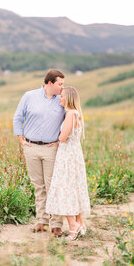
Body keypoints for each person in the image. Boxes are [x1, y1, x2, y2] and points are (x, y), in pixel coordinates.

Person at [13, 69, 65, 237]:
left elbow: (70, 120)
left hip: (51, 149)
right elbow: (18, 117)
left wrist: (58, 141)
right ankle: (42, 221)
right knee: (39, 186)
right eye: (60, 84)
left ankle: (56, 224)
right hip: (31, 147)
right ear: (50, 83)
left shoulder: (62, 100)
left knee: (53, 186)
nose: (62, 87)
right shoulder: (29, 96)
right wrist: (20, 138)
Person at [46, 86, 91, 241]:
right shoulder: (76, 113)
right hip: (74, 154)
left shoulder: (70, 114)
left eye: (63, 96)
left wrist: (56, 139)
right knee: (74, 188)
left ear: (69, 98)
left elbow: (63, 137)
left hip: (67, 157)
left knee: (64, 189)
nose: (60, 97)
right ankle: (81, 223)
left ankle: (73, 226)